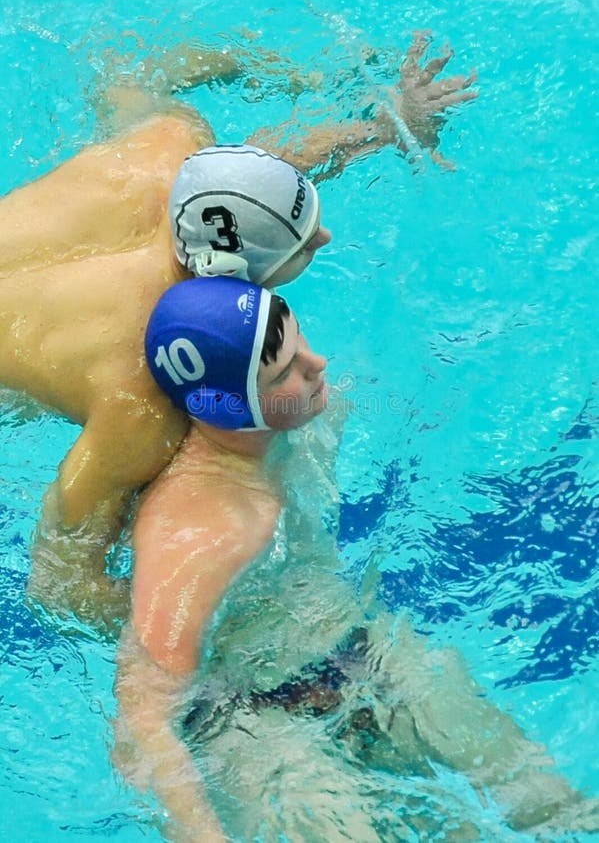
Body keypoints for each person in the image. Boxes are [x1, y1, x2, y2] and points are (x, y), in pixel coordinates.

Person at [0, 32, 477, 630]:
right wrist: (220, 627)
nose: (323, 237)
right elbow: (58, 581)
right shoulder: (139, 398)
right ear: (236, 278)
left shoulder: (165, 148)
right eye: (304, 247)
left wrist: (385, 125)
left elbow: (130, 67)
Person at [114, 275, 599, 843]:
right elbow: (141, 722)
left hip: (361, 650)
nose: (316, 365)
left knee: (544, 800)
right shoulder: (199, 535)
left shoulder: (311, 415)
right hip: (254, 725)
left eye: (300, 341)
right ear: (226, 407)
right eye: (284, 372)